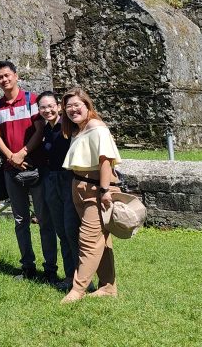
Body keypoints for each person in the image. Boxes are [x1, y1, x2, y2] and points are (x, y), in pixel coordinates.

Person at [0, 60, 57, 281]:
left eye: (7, 75)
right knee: (20, 221)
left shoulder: (32, 100)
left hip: (35, 167)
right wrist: (11, 157)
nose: (4, 80)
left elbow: (40, 130)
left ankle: (50, 269)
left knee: (44, 220)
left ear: (16, 75)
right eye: (0, 77)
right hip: (12, 170)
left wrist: (23, 153)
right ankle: (27, 266)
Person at [60, 87, 122, 303]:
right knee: (101, 241)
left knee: (87, 239)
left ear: (87, 105)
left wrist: (105, 191)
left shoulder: (96, 127)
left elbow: (106, 160)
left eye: (77, 105)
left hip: (97, 188)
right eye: (68, 106)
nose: (72, 109)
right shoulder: (78, 130)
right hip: (80, 187)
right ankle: (108, 287)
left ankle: (78, 290)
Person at [37, 90, 81, 289]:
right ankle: (70, 276)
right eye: (42, 107)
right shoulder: (47, 129)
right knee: (62, 231)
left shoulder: (69, 126)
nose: (47, 110)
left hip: (68, 179)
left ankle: (82, 277)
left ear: (58, 106)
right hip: (51, 180)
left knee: (72, 230)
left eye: (50, 106)